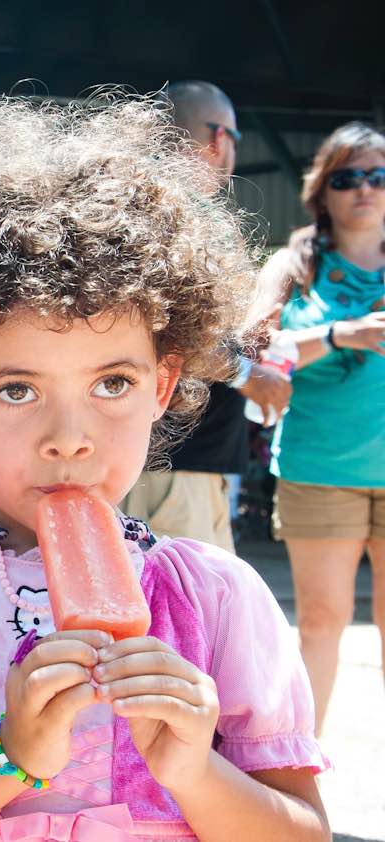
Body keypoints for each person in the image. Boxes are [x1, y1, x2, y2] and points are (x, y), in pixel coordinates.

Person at [0, 96, 330, 842]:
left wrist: (196, 773)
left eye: (111, 383)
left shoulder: (218, 601)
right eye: (17, 390)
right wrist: (6, 759)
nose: (69, 439)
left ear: (162, 385)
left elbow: (303, 829)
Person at [251, 121, 385, 734]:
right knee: (322, 622)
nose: (365, 189)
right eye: (349, 177)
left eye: (378, 176)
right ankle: (300, 766)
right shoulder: (294, 265)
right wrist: (336, 335)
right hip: (319, 468)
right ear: (322, 189)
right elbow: (250, 351)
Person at [119, 80, 293, 552]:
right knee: (177, 598)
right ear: (218, 138)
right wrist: (247, 374)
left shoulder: (136, 203)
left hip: (173, 460)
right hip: (177, 466)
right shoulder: (180, 212)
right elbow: (176, 328)